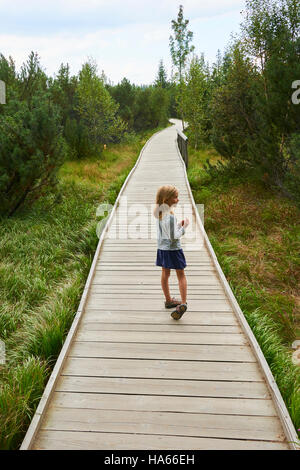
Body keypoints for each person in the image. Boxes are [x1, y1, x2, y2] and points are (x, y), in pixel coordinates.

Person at [153, 185, 189, 320]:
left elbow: (168, 231)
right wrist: (184, 227)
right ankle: (183, 304)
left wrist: (178, 225)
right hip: (173, 250)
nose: (178, 199)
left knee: (165, 274)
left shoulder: (160, 214)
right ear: (167, 199)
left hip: (162, 249)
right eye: (175, 197)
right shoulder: (170, 217)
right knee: (181, 275)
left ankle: (168, 300)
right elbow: (174, 237)